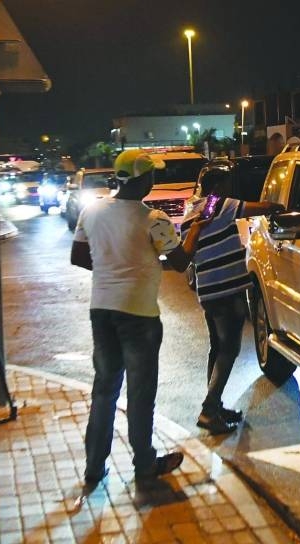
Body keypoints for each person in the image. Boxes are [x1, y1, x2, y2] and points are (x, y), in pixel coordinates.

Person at [71, 149, 206, 484]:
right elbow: (180, 262)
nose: (154, 180)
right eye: (151, 175)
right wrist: (195, 230)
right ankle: (144, 463)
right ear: (143, 179)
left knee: (104, 390)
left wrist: (110, 268)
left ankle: (93, 467)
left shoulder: (93, 210)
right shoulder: (153, 219)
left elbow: (78, 256)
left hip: (101, 310)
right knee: (140, 392)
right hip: (139, 315)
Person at [182, 168, 283, 434]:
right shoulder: (220, 205)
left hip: (208, 292)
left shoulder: (191, 211)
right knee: (230, 349)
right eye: (226, 185)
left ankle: (214, 406)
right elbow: (260, 207)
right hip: (227, 291)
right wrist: (280, 205)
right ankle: (209, 408)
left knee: (217, 349)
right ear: (216, 187)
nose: (230, 190)